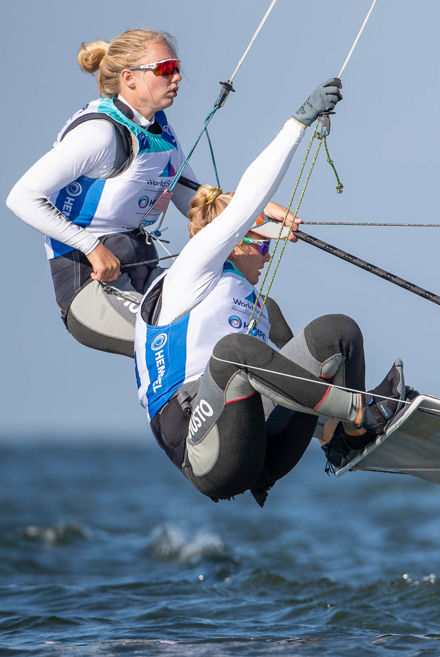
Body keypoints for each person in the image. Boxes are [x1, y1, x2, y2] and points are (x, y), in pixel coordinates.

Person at [134, 79, 407, 507]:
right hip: (204, 451)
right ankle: (359, 409)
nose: (266, 255)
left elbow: (295, 379)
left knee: (337, 331)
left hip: (264, 451)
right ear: (234, 241)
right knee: (233, 351)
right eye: (260, 243)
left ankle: (347, 438)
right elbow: (244, 207)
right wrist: (298, 123)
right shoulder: (191, 271)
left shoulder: (258, 306)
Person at [6, 29, 292, 356]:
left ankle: (312, 389)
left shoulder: (159, 129)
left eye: (177, 67)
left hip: (143, 273)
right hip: (92, 290)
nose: (178, 76)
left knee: (251, 308)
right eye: (166, 69)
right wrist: (92, 247)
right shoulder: (101, 133)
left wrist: (256, 212)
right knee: (198, 340)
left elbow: (192, 200)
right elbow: (22, 196)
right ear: (129, 78)